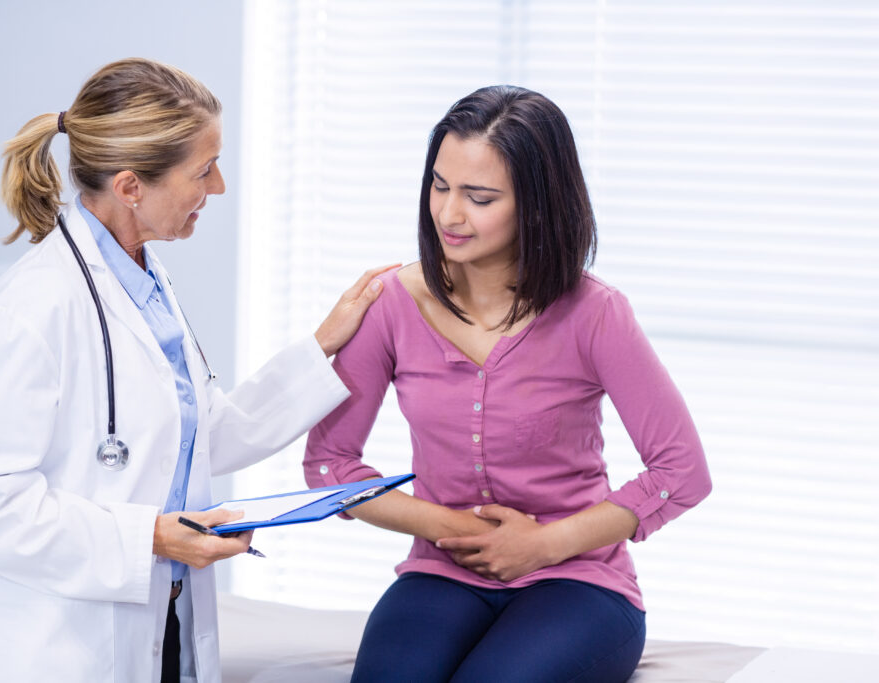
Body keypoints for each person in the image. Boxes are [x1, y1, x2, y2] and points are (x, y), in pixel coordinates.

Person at [0, 58, 392, 683]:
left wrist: (324, 343)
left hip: (166, 619)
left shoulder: (145, 283)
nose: (219, 187)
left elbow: (199, 438)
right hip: (65, 647)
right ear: (131, 187)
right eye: (204, 170)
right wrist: (150, 538)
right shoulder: (35, 305)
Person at [303, 85, 712, 683]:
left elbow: (682, 471)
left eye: (480, 197)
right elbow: (328, 466)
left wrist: (543, 545)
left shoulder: (596, 313)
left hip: (579, 581)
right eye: (440, 186)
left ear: (537, 205)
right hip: (441, 572)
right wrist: (451, 528)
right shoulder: (389, 302)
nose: (449, 214)